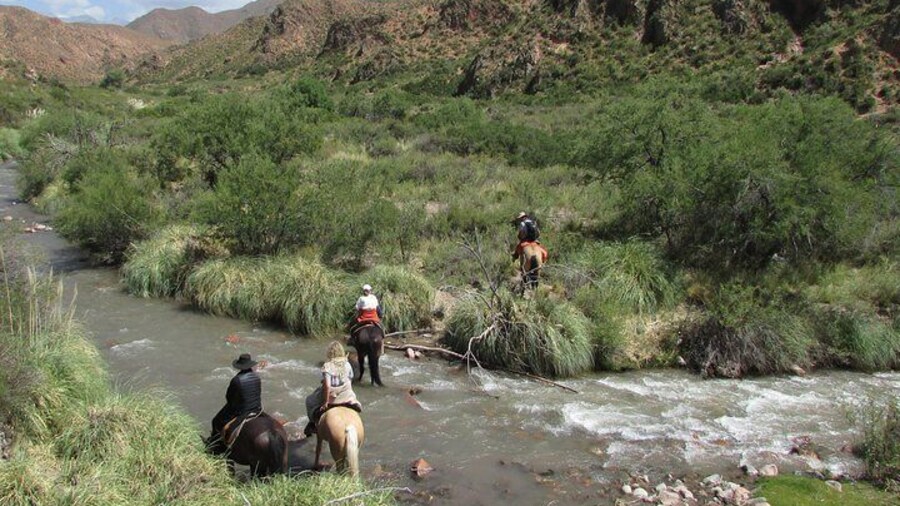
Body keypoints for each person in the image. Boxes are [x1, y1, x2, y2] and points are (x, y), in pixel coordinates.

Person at [304, 341, 362, 437]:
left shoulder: (327, 366)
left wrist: (326, 402)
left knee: (309, 400)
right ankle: (354, 404)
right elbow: (350, 379)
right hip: (346, 396)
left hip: (332, 398)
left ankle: (312, 423)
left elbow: (327, 386)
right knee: (353, 396)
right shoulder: (347, 364)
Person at [209, 353, 262, 453]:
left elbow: (229, 397)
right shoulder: (256, 377)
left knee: (216, 421)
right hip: (257, 409)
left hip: (243, 411)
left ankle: (218, 447)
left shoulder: (237, 380)